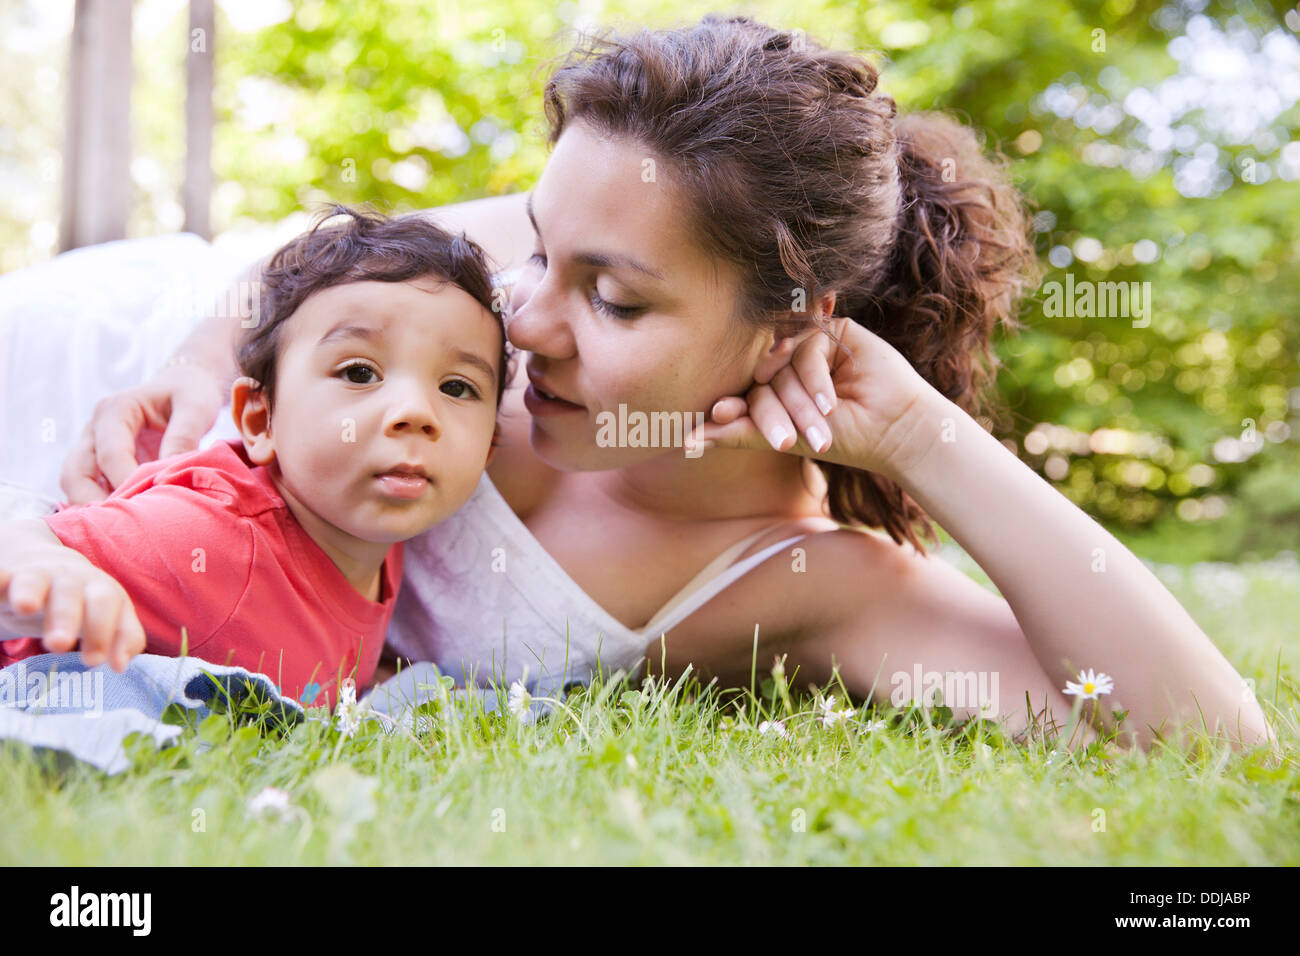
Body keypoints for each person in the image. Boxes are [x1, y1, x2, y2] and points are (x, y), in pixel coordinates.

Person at [55, 16, 1274, 752]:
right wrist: (200, 361)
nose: (522, 315)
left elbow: (1205, 738)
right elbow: (287, 263)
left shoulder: (800, 578)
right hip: (105, 373)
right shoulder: (576, 235)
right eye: (537, 244)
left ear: (785, 328)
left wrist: (917, 434)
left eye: (616, 299)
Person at [0, 206, 508, 708]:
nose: (416, 413)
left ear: (488, 450)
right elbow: (22, 540)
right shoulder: (212, 540)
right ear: (260, 420)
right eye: (358, 372)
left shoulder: (376, 529)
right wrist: (41, 556)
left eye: (456, 387)